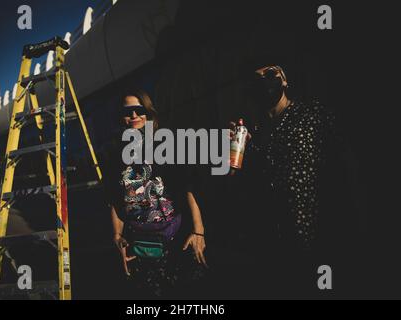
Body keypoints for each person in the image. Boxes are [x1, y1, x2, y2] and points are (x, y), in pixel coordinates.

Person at [229, 63, 345, 296]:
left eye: (271, 74)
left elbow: (345, 162)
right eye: (257, 78)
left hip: (318, 236)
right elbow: (241, 183)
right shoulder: (257, 132)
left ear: (284, 80)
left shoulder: (312, 113)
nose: (265, 81)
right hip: (274, 244)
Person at [103, 89, 207, 298]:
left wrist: (199, 231)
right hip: (139, 247)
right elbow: (114, 199)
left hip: (176, 240)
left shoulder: (164, 144)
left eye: (138, 110)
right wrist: (117, 236)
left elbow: (187, 186)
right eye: (128, 111)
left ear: (148, 113)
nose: (133, 116)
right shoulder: (114, 153)